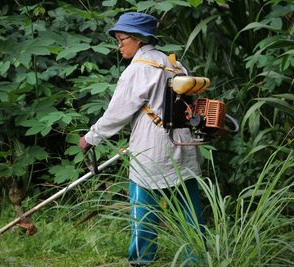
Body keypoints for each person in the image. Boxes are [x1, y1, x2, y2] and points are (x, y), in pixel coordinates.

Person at [78, 12, 205, 266]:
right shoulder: (175, 65)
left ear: (137, 39)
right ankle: (196, 259)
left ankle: (141, 260)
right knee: (190, 211)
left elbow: (117, 113)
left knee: (143, 211)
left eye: (122, 39)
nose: (119, 45)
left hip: (152, 147)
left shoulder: (138, 70)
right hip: (184, 144)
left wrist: (91, 138)